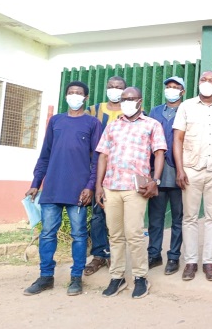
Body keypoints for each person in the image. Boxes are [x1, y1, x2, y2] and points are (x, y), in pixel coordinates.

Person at [23, 81, 102, 296]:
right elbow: (45, 154)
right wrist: (35, 183)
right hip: (52, 189)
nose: (74, 96)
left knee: (78, 235)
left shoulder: (93, 123)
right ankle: (45, 277)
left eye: (78, 93)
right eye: (71, 93)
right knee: (47, 234)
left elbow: (97, 159)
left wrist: (90, 187)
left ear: (85, 98)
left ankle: (76, 278)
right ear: (66, 96)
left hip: (78, 191)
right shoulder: (56, 121)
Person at [95, 86, 167, 299]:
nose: (126, 102)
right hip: (111, 186)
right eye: (123, 99)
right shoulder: (112, 126)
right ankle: (116, 277)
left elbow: (160, 153)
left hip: (136, 187)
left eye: (131, 98)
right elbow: (103, 156)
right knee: (115, 236)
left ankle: (140, 277)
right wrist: (99, 185)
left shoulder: (152, 125)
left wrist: (156, 180)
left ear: (139, 101)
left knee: (134, 234)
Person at [173, 70, 212, 281]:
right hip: (191, 169)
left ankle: (209, 262)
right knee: (189, 217)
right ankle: (190, 262)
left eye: (211, 81)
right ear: (199, 83)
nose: (207, 83)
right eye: (203, 80)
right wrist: (180, 169)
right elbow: (177, 139)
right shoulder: (186, 106)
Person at [84, 76, 127, 276]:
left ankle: (115, 255)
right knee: (98, 215)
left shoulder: (132, 112)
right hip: (97, 170)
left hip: (122, 172)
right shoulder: (93, 110)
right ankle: (99, 254)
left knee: (120, 216)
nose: (115, 90)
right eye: (111, 86)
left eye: (119, 87)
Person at [146, 76, 185, 275]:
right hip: (157, 173)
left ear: (182, 92)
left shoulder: (187, 111)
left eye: (175, 87)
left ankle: (173, 257)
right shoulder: (154, 112)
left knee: (178, 218)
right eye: (168, 87)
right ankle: (154, 254)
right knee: (155, 218)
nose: (171, 90)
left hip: (179, 173)